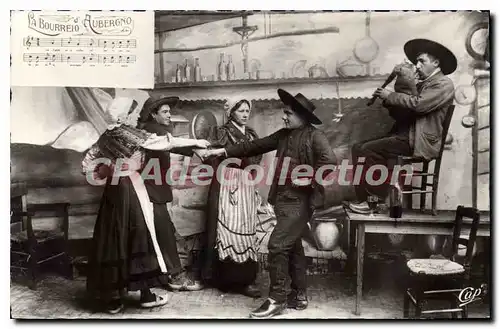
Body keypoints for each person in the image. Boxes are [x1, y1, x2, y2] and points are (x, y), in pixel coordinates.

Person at [201, 89, 336, 319]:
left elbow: (330, 163)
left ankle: (277, 299)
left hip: (299, 203)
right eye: (285, 112)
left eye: (288, 113)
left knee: (276, 246)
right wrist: (222, 150)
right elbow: (252, 147)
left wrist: (309, 178)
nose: (284, 116)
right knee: (293, 247)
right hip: (282, 200)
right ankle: (299, 295)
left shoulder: (315, 136)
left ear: (301, 117)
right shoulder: (283, 135)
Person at [82, 97, 210, 314]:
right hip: (132, 189)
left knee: (114, 238)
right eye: (132, 113)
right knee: (141, 237)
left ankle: (114, 299)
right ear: (123, 116)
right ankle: (146, 295)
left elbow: (86, 164)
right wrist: (196, 142)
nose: (135, 117)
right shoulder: (130, 133)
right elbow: (164, 143)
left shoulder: (105, 137)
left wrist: (108, 172)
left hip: (112, 191)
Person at [347, 38, 457, 214]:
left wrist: (391, 96)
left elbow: (418, 105)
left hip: (419, 141)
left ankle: (372, 203)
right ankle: (366, 200)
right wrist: (388, 98)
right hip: (406, 136)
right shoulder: (422, 84)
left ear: (436, 63)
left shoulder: (444, 84)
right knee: (358, 148)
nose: (418, 65)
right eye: (417, 62)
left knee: (368, 151)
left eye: (422, 61)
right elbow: (404, 114)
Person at [137, 95, 204, 292]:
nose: (169, 115)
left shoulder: (153, 130)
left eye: (169, 111)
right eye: (165, 112)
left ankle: (163, 274)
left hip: (151, 190)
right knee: (165, 232)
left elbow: (170, 145)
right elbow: (171, 143)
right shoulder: (153, 129)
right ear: (153, 114)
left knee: (161, 231)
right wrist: (199, 146)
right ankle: (176, 277)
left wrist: (195, 151)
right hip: (149, 191)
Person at [200, 96, 263, 298]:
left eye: (247, 111)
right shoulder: (222, 133)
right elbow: (210, 157)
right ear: (231, 112)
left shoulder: (252, 134)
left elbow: (256, 159)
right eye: (241, 111)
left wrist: (249, 177)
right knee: (226, 229)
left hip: (245, 184)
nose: (245, 115)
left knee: (245, 228)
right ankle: (225, 279)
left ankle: (246, 280)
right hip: (226, 184)